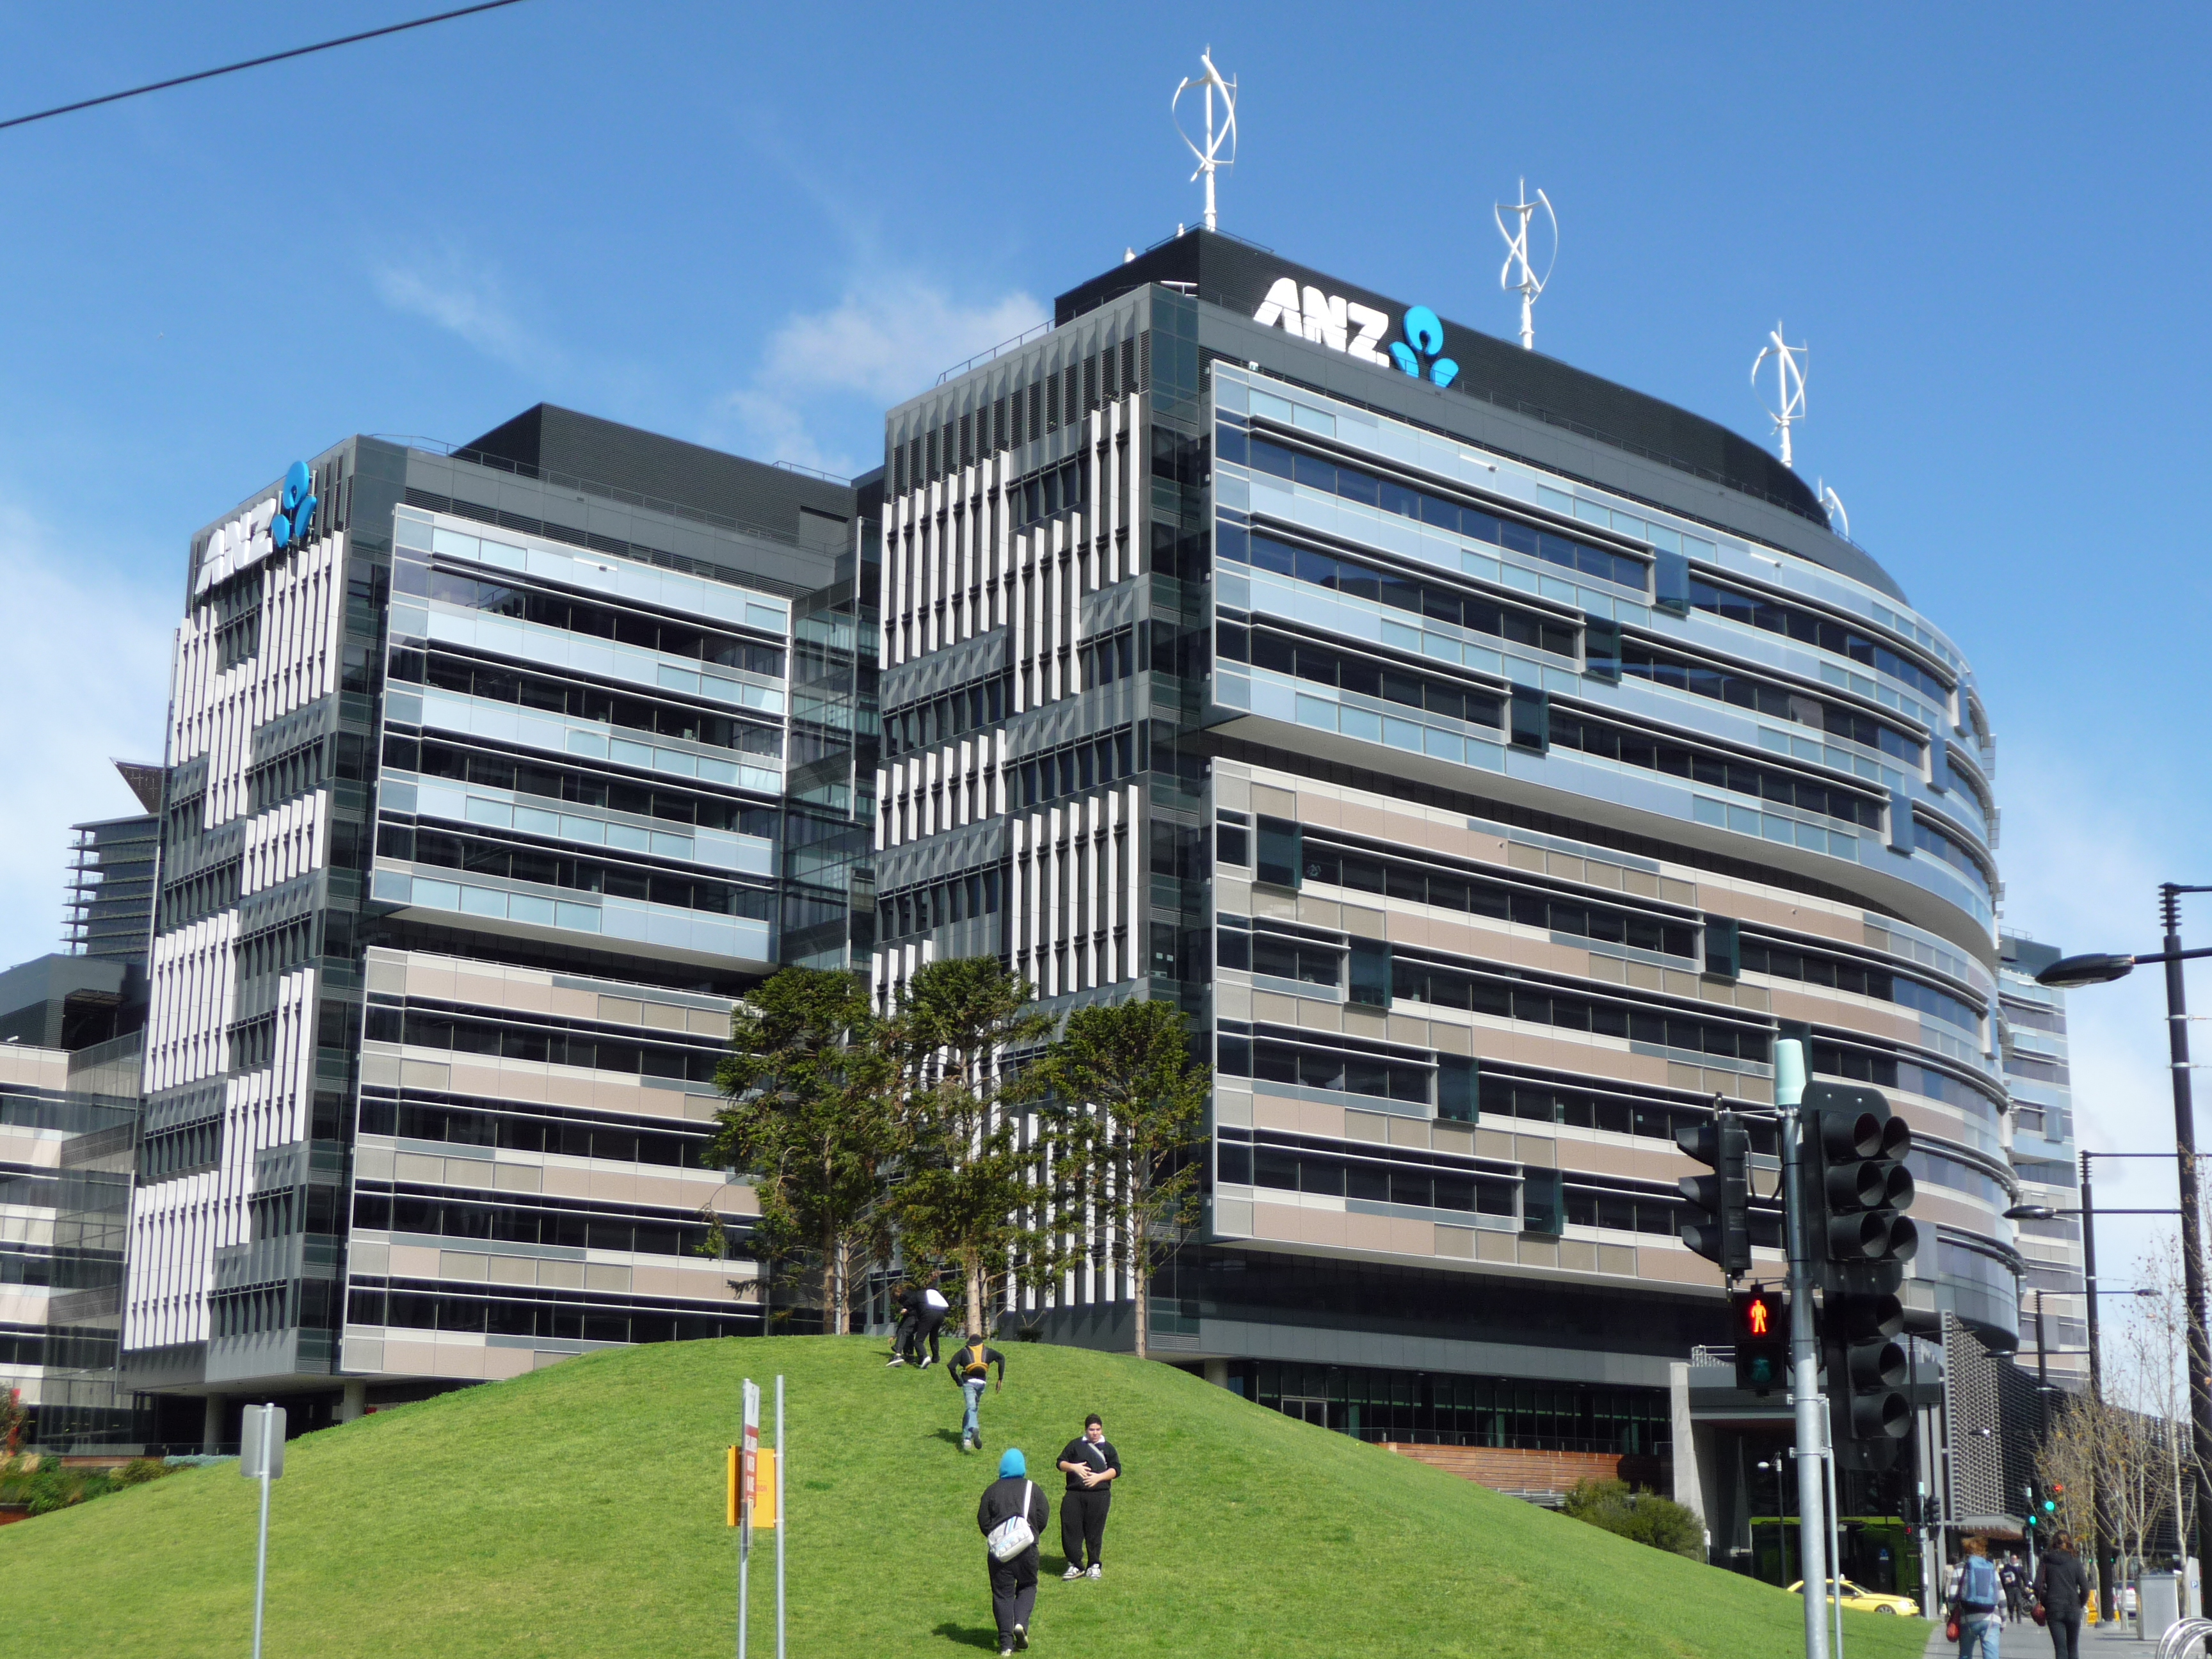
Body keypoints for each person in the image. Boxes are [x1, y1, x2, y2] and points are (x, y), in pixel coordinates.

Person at [977, 1448, 1049, 1657]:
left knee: (1002, 1595)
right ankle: (1020, 1623)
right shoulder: (1032, 1488)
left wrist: (999, 1538)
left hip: (1000, 1554)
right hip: (1027, 1549)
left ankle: (1006, 1645)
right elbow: (1043, 1516)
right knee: (1028, 1586)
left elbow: (984, 1521)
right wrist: (1031, 1534)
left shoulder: (992, 1490)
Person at [1056, 1413, 1122, 1580]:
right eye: (1092, 1430)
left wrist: (1099, 1478)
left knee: (1094, 1531)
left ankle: (1094, 1564)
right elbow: (1060, 1463)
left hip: (1099, 1495)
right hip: (1074, 1494)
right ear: (1086, 1430)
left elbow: (1116, 1470)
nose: (1095, 1433)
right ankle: (1075, 1564)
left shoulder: (1108, 1448)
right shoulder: (1075, 1445)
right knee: (1071, 1528)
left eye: (1098, 1429)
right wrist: (1074, 1467)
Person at [2033, 1534, 2090, 1659]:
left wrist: (2047, 1602)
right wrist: (2079, 1603)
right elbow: (2085, 1588)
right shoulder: (2075, 1561)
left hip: (2054, 1608)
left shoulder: (2046, 1560)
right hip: (2073, 1607)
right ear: (2069, 1543)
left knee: (2060, 1649)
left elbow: (2037, 1587)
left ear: (2053, 1543)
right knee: (2073, 1648)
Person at [948, 1332, 1006, 1452]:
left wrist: (958, 1381)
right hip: (982, 1384)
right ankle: (967, 1438)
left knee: (971, 1408)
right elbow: (1001, 1358)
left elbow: (951, 1366)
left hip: (969, 1383)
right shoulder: (987, 1351)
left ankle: (974, 1428)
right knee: (973, 1409)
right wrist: (1000, 1378)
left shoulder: (964, 1351)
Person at [1951, 1537, 2003, 1659]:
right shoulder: (1991, 1567)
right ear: (1983, 1551)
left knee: (1965, 1654)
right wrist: (2004, 1620)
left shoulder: (1960, 1568)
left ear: (1967, 1551)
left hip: (1967, 1618)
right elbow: (2002, 1597)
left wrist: (1953, 1614)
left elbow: (1952, 1596)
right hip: (1992, 1618)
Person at [886, 1283, 950, 1368]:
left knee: (914, 1338)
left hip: (924, 1315)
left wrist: (906, 1310)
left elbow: (909, 1306)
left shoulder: (909, 1296)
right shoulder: (927, 1294)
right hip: (940, 1315)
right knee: (933, 1337)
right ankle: (935, 1358)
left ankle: (918, 1357)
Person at [2000, 1555, 2024, 1623]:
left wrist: (2027, 1585)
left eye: (2015, 1559)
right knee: (2011, 1603)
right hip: (2010, 1588)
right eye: (2012, 1558)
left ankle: (2019, 1617)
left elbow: (2024, 1576)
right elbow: (2002, 1574)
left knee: (2019, 1602)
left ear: (2017, 1560)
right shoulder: (2007, 1567)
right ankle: (2011, 1614)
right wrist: (2006, 1579)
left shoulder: (2019, 1568)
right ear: (2010, 1559)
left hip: (2018, 1588)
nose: (2014, 1560)